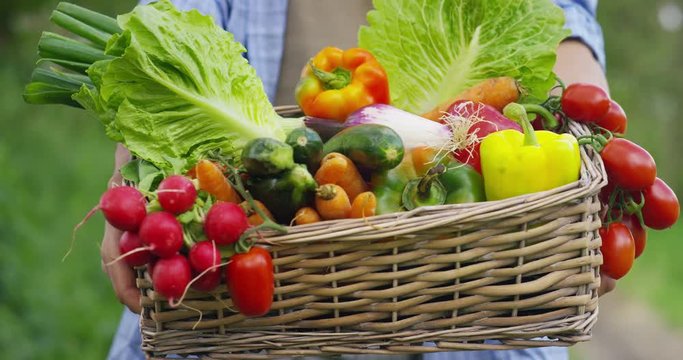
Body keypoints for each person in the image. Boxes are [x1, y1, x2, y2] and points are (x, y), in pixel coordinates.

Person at [102, 1, 614, 359]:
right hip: (245, 277)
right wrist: (134, 180)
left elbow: (561, 18)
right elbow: (165, 33)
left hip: (475, 306)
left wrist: (592, 142)